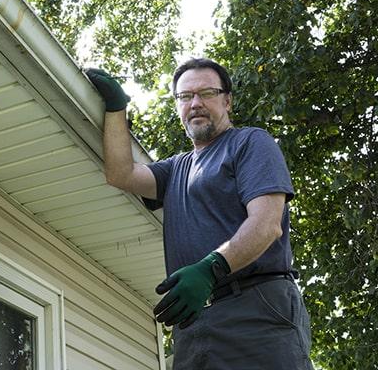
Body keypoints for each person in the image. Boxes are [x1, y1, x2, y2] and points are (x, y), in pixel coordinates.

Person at [86, 59, 313, 370]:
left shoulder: (249, 143)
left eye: (206, 93)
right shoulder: (175, 168)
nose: (195, 104)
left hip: (256, 309)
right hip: (193, 322)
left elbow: (266, 224)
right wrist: (116, 108)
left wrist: (210, 269)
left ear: (227, 100)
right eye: (185, 97)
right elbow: (120, 174)